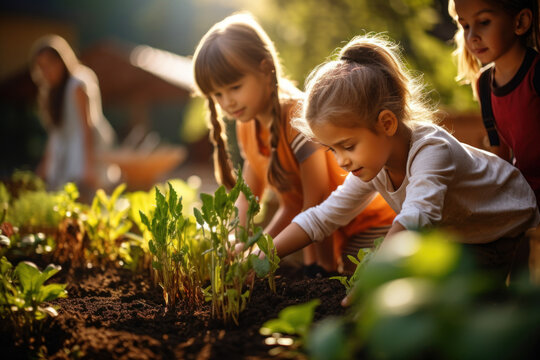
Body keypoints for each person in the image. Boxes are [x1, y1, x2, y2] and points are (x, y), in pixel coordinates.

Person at [271, 34, 539, 289]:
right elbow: (323, 217)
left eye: (348, 146)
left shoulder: (431, 150)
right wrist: (263, 258)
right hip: (465, 231)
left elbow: (416, 217)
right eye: (332, 150)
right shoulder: (374, 164)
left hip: (505, 222)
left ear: (386, 123)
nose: (341, 160)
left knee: (475, 310)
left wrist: (371, 279)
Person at [192, 13, 396, 276]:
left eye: (235, 87)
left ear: (265, 70)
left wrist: (269, 251)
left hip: (365, 223)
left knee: (361, 281)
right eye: (218, 94)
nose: (227, 101)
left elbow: (316, 199)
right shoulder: (248, 126)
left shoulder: (298, 118)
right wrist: (237, 241)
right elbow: (249, 196)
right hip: (322, 229)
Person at [448, 0, 540, 206]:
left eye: (484, 22)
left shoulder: (535, 75)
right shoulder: (484, 84)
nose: (472, 37)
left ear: (520, 22)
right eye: (466, 26)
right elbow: (501, 159)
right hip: (524, 196)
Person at [30, 35, 115, 200]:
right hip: (65, 154)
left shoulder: (76, 86)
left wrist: (88, 166)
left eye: (50, 64)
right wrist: (44, 165)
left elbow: (87, 126)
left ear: (61, 61)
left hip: (83, 154)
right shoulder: (51, 92)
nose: (46, 71)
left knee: (85, 201)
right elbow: (56, 133)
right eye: (41, 67)